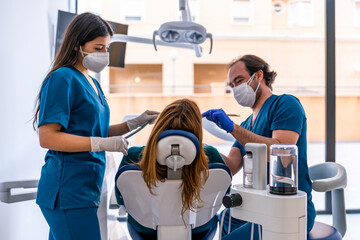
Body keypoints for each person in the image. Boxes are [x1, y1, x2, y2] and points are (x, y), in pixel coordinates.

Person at [32, 12, 158, 240]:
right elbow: (48, 137)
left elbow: (95, 131)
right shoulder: (62, 78)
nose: (104, 54)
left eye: (107, 49)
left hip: (85, 189)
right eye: (98, 48)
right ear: (77, 45)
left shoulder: (91, 81)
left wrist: (133, 123)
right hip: (68, 190)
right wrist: (101, 144)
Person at [202, 54, 316, 238]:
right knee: (225, 219)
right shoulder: (247, 124)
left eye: (239, 81)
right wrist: (198, 145)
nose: (236, 88)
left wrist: (232, 128)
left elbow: (281, 148)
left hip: (287, 211)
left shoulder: (285, 104)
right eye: (232, 85)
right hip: (258, 205)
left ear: (259, 76)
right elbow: (231, 164)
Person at [115, 98, 228, 239]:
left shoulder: (133, 155)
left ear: (159, 127)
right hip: (199, 231)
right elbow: (222, 195)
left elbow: (121, 199)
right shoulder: (211, 155)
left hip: (145, 231)